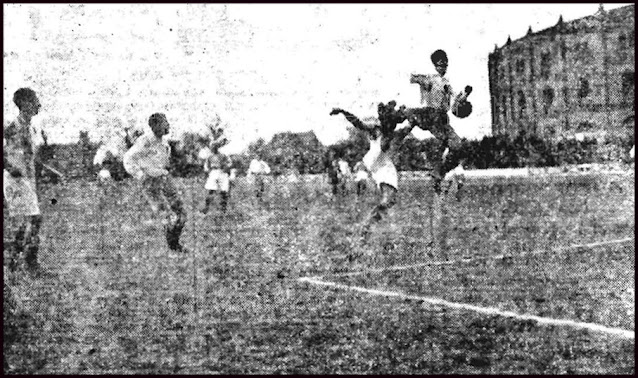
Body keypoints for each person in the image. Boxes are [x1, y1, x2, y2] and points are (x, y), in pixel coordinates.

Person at [330, 101, 415, 235]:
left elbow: (406, 129)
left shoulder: (389, 134)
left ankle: (367, 226)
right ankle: (366, 225)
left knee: (388, 201)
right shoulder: (377, 132)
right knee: (385, 201)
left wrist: (412, 121)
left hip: (382, 167)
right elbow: (358, 123)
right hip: (375, 164)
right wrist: (343, 111)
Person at [408, 49, 472, 194]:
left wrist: (465, 95)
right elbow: (414, 79)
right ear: (435, 65)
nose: (443, 67)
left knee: (457, 147)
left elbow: (455, 98)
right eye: (440, 64)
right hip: (432, 115)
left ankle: (438, 174)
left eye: (445, 64)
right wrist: (420, 81)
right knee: (452, 145)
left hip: (443, 118)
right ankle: (438, 173)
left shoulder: (446, 82)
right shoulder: (431, 78)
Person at [123, 113, 187, 253]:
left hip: (164, 178)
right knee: (166, 215)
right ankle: (173, 247)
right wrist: (140, 174)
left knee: (181, 213)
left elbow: (163, 163)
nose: (168, 126)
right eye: (165, 123)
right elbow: (128, 159)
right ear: (155, 126)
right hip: (150, 181)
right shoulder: (145, 141)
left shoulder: (165, 144)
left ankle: (175, 244)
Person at [3, 88, 44, 272]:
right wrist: (11, 168)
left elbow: (30, 153)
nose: (38, 104)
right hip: (15, 179)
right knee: (33, 219)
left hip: (28, 179)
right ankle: (26, 261)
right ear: (25, 104)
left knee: (28, 221)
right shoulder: (12, 127)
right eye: (35, 100)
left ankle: (15, 260)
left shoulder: (32, 128)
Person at [199, 136, 231, 214]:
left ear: (217, 147)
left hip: (222, 173)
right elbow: (206, 166)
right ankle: (206, 208)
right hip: (213, 172)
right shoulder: (209, 157)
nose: (214, 148)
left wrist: (225, 168)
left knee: (224, 191)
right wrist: (209, 171)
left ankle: (223, 210)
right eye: (213, 147)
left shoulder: (223, 155)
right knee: (211, 190)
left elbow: (229, 162)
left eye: (215, 146)